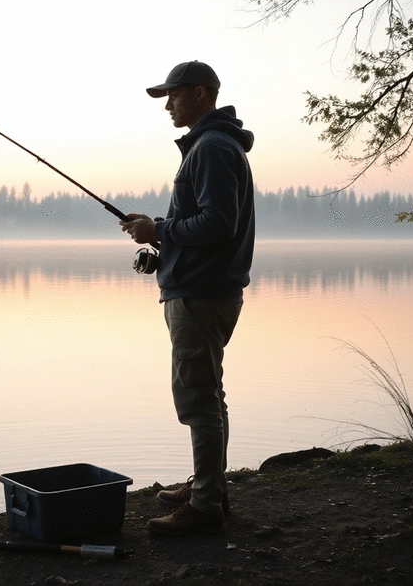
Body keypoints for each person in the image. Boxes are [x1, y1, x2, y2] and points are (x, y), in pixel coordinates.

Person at [120, 61, 255, 535]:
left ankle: (203, 509)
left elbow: (218, 224)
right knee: (209, 396)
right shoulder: (212, 146)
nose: (168, 106)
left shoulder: (213, 148)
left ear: (200, 93)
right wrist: (158, 226)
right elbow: (202, 219)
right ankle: (208, 485)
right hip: (205, 290)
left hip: (200, 294)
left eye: (173, 96)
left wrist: (158, 230)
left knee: (198, 399)